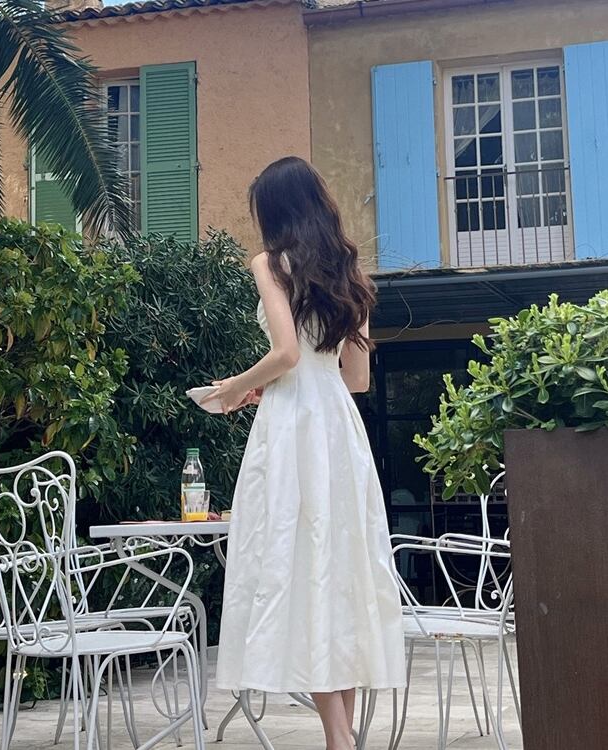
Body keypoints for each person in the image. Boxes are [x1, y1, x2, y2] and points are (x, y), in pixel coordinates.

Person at [208, 156, 406, 750]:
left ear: (274, 212)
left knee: (299, 569)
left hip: (293, 428)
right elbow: (356, 379)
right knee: (338, 572)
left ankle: (339, 740)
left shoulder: (270, 263)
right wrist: (275, 383)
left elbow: (288, 353)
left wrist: (235, 388)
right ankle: (340, 738)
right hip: (338, 428)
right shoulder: (350, 269)